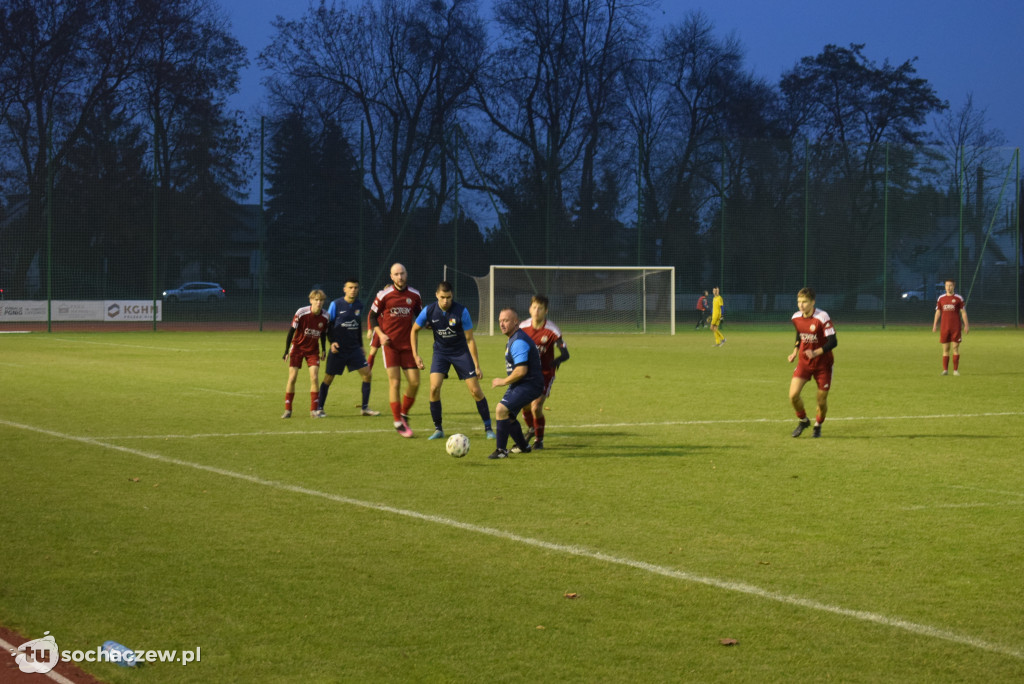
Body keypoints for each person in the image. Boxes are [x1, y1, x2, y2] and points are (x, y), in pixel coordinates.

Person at [410, 281, 494, 441]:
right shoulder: (428, 311)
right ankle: (438, 429)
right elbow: (414, 330)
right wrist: (416, 355)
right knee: (434, 388)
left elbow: (470, 339)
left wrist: (477, 365)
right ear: (437, 295)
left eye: (448, 297)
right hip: (441, 353)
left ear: (452, 296)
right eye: (442, 297)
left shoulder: (462, 311)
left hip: (460, 353)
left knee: (475, 391)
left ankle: (488, 428)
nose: (445, 301)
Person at [369, 263, 422, 437]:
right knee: (395, 382)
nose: (400, 277)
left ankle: (404, 414)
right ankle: (397, 421)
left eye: (402, 273)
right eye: (396, 274)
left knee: (414, 382)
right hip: (390, 345)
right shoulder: (384, 295)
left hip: (408, 346)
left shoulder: (414, 295)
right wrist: (380, 335)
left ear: (407, 274)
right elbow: (372, 316)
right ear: (391, 276)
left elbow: (420, 317)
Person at [316, 278, 380, 418]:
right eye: (350, 287)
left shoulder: (359, 305)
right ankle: (319, 408)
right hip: (338, 349)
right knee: (328, 378)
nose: (353, 290)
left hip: (354, 349)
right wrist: (332, 342)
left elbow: (357, 327)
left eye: (356, 287)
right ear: (345, 289)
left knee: (367, 374)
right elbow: (328, 326)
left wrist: (361, 345)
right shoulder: (336, 304)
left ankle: (365, 408)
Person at [488, 308, 545, 459]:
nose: (502, 324)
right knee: (509, 417)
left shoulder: (518, 341)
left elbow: (521, 371)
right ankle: (523, 446)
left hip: (529, 384)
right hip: (522, 384)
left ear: (515, 322)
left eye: (506, 320)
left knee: (501, 410)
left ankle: (501, 451)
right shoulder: (514, 338)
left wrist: (503, 381)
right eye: (500, 321)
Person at [518, 294, 569, 450]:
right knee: (525, 407)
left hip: (545, 374)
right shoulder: (522, 328)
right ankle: (532, 428)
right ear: (530, 308)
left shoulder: (552, 330)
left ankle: (538, 441)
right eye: (534, 307)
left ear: (546, 311)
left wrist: (556, 361)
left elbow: (566, 353)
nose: (536, 311)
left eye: (540, 308)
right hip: (527, 373)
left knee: (536, 407)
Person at [787, 287, 838, 438]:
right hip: (804, 363)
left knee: (821, 401)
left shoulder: (822, 317)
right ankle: (803, 420)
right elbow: (799, 333)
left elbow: (833, 341)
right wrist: (795, 351)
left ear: (812, 302)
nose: (801, 305)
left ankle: (818, 425)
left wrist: (815, 352)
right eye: (799, 302)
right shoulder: (796, 317)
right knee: (793, 395)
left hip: (823, 365)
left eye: (804, 302)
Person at [282, 289, 329, 418]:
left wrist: (324, 349)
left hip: (313, 351)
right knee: (292, 378)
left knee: (314, 377)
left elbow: (323, 334)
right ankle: (288, 409)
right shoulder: (301, 312)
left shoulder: (325, 316)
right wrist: (286, 351)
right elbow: (291, 331)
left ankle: (314, 410)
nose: (319, 303)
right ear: (311, 300)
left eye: (321, 300)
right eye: (316, 300)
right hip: (297, 348)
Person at [932, 278, 969, 376]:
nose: (948, 287)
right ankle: (945, 370)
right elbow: (938, 312)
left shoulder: (958, 298)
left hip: (956, 327)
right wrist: (935, 324)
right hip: (945, 327)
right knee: (946, 349)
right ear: (944, 286)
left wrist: (966, 325)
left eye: (950, 285)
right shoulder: (941, 298)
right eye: (947, 285)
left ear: (954, 286)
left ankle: (955, 370)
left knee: (955, 347)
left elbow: (963, 312)